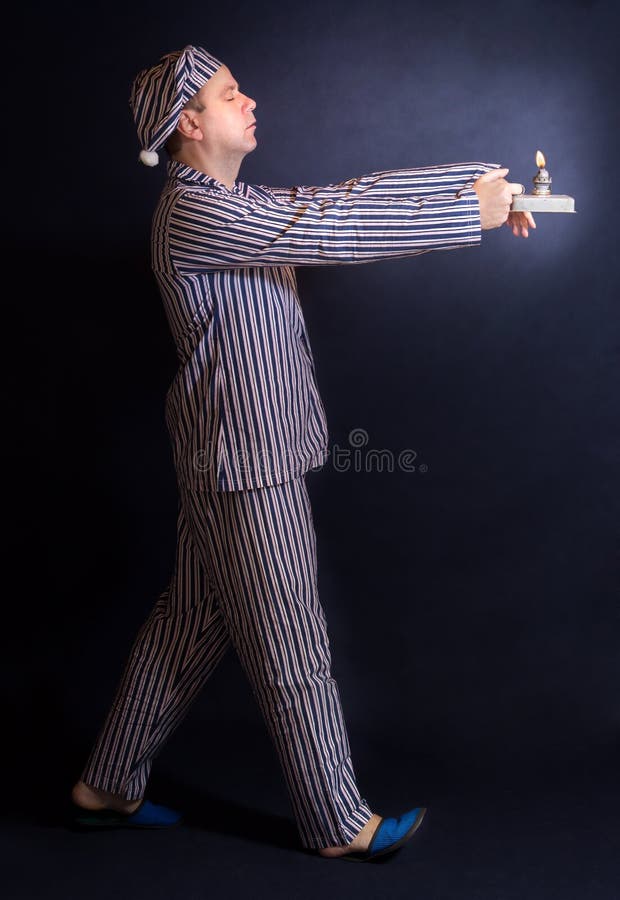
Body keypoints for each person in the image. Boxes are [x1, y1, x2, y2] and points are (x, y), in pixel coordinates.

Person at [70, 45, 535, 862]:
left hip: (236, 454)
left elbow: (345, 198)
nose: (249, 100)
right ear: (189, 122)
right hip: (247, 465)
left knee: (187, 625)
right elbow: (333, 228)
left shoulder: (230, 201)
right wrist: (472, 214)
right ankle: (337, 823)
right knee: (293, 645)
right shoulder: (194, 212)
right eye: (229, 92)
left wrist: (482, 185)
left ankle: (106, 785)